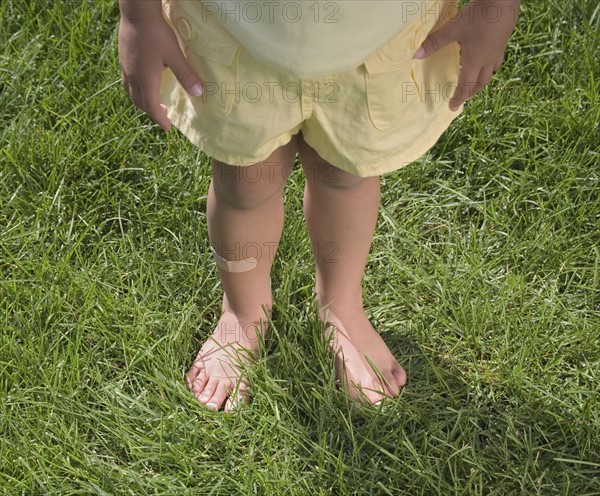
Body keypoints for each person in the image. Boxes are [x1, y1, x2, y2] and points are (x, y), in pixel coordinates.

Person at [118, 0, 520, 412]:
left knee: (346, 175)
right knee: (245, 182)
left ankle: (341, 306)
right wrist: (140, 17)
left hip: (381, 36)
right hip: (236, 30)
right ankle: (243, 312)